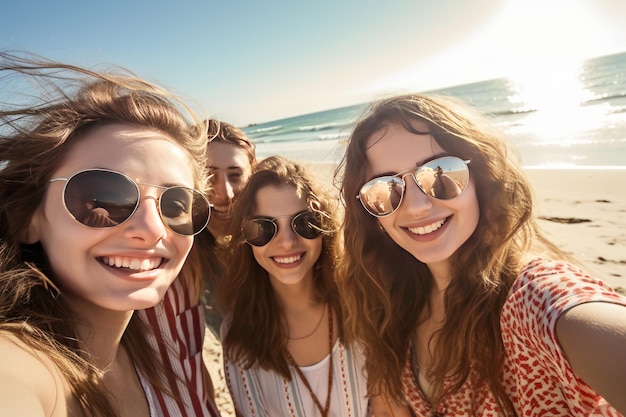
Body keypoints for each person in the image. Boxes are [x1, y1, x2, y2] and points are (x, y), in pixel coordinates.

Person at [336, 93, 626, 416]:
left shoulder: (530, 299)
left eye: (439, 173)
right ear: (372, 217)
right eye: (385, 190)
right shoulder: (397, 304)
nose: (417, 207)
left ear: (481, 179)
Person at [0, 52, 220, 416]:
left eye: (177, 204)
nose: (152, 230)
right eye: (102, 197)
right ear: (29, 220)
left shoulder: (148, 342)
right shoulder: (23, 369)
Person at [219, 156, 373, 417]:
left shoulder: (365, 303)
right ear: (246, 240)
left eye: (303, 222)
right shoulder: (237, 335)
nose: (287, 242)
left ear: (324, 227)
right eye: (264, 228)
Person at [199, 119, 256, 338]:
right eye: (209, 176)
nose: (226, 194)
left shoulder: (281, 238)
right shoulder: (178, 252)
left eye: (235, 175)